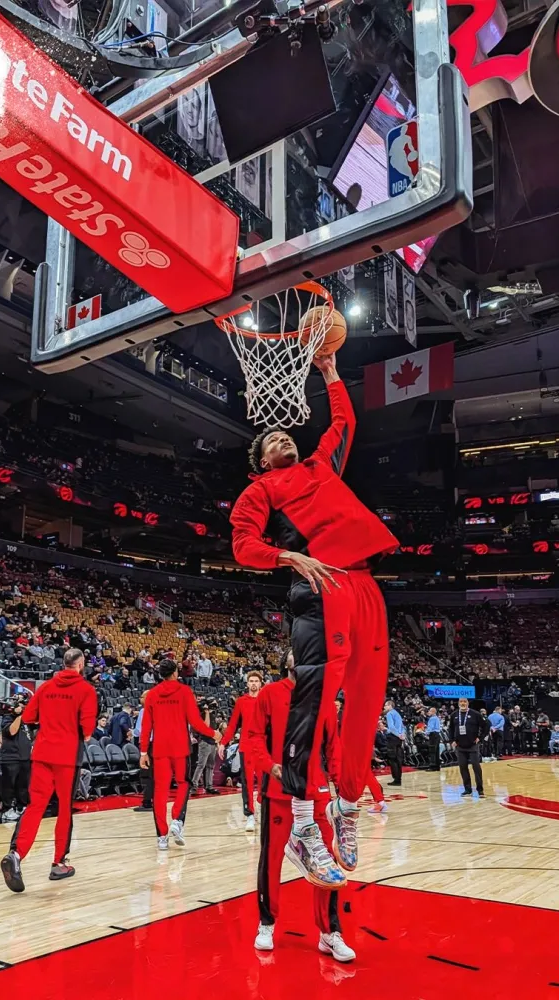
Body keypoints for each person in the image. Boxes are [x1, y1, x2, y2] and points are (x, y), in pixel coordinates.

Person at [230, 352, 398, 886]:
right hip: (321, 584)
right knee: (314, 705)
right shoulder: (260, 491)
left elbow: (344, 422)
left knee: (366, 705)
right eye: (272, 439)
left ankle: (345, 809)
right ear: (260, 460)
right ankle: (303, 823)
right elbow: (242, 545)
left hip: (366, 584)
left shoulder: (321, 466)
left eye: (287, 433)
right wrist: (287, 557)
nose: (283, 438)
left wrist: (328, 372)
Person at [246, 649, 355, 961]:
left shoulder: (323, 699)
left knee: (326, 865)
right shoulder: (268, 694)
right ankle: (266, 923)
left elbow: (333, 745)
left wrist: (340, 788)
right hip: (278, 791)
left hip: (316, 792)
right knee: (271, 861)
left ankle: (329, 932)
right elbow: (253, 736)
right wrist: (269, 765)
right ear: (286, 662)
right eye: (295, 650)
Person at [0, 649, 97, 893]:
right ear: (81, 664)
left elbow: (29, 717)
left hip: (42, 754)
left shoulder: (45, 687)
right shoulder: (86, 690)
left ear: (63, 664)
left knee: (35, 806)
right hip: (67, 757)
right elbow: (87, 729)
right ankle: (59, 863)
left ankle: (16, 853)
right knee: (64, 809)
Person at [139, 658, 220, 850]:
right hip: (181, 748)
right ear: (175, 673)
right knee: (184, 783)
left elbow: (146, 726)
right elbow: (195, 721)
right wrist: (213, 733)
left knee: (160, 791)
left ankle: (161, 837)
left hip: (159, 749)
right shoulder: (184, 692)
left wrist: (143, 751)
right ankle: (177, 819)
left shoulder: (152, 695)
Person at [218, 670, 263, 830]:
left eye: (256, 681)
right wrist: (223, 742)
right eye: (251, 681)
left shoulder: (265, 700)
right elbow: (232, 725)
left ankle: (260, 804)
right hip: (246, 746)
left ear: (260, 683)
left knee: (266, 781)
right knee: (247, 782)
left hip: (263, 747)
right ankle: (249, 814)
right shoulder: (241, 702)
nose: (253, 684)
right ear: (247, 683)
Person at [0, 699, 32, 822]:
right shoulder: (7, 718)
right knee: (9, 786)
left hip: (25, 757)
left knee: (23, 785)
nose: (23, 708)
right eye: (21, 706)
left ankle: (21, 807)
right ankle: (7, 810)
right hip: (11, 758)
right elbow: (12, 731)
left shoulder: (26, 721)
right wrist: (19, 716)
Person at [448, 698, 484, 797]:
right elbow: (450, 729)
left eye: (465, 702)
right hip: (460, 746)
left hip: (472, 745)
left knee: (476, 767)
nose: (463, 703)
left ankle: (480, 790)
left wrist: (480, 738)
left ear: (468, 703)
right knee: (463, 768)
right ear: (458, 703)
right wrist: (452, 740)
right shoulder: (454, 715)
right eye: (461, 702)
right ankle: (467, 789)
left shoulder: (475, 714)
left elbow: (486, 726)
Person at [191, 700, 219, 797]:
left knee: (210, 766)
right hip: (204, 743)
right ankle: (193, 786)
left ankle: (209, 786)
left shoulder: (213, 716)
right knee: (201, 765)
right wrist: (206, 712)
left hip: (212, 743)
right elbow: (205, 726)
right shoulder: (202, 715)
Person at [384, 699, 405, 786]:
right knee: (398, 759)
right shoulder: (397, 714)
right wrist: (402, 734)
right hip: (399, 738)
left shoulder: (389, 714)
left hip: (393, 737)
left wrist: (397, 734)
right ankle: (398, 778)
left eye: (385, 705)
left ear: (390, 706)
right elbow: (402, 726)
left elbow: (392, 727)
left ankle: (396, 779)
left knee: (393, 759)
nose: (384, 707)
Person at [426, 707, 441, 771]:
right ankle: (437, 766)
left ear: (433, 712)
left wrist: (426, 733)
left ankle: (432, 766)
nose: (428, 712)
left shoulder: (432, 719)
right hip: (437, 735)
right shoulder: (437, 718)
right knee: (437, 751)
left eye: (429, 711)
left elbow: (430, 728)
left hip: (433, 735)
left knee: (432, 751)